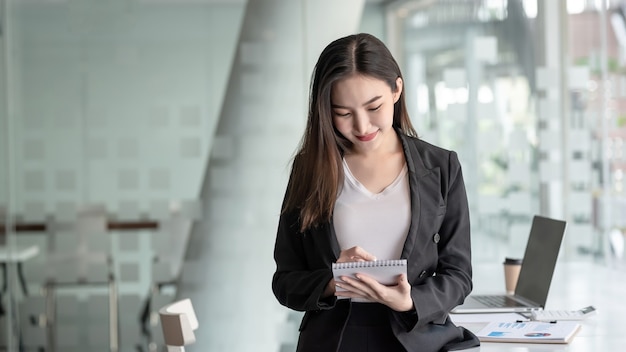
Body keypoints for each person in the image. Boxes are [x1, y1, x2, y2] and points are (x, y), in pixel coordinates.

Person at [272, 33, 480, 352]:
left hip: (416, 335)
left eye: (374, 107)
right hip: (335, 339)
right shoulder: (308, 170)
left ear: (396, 89)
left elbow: (459, 274)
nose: (362, 126)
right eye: (343, 113)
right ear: (325, 110)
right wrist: (333, 280)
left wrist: (411, 300)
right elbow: (285, 281)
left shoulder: (442, 166)